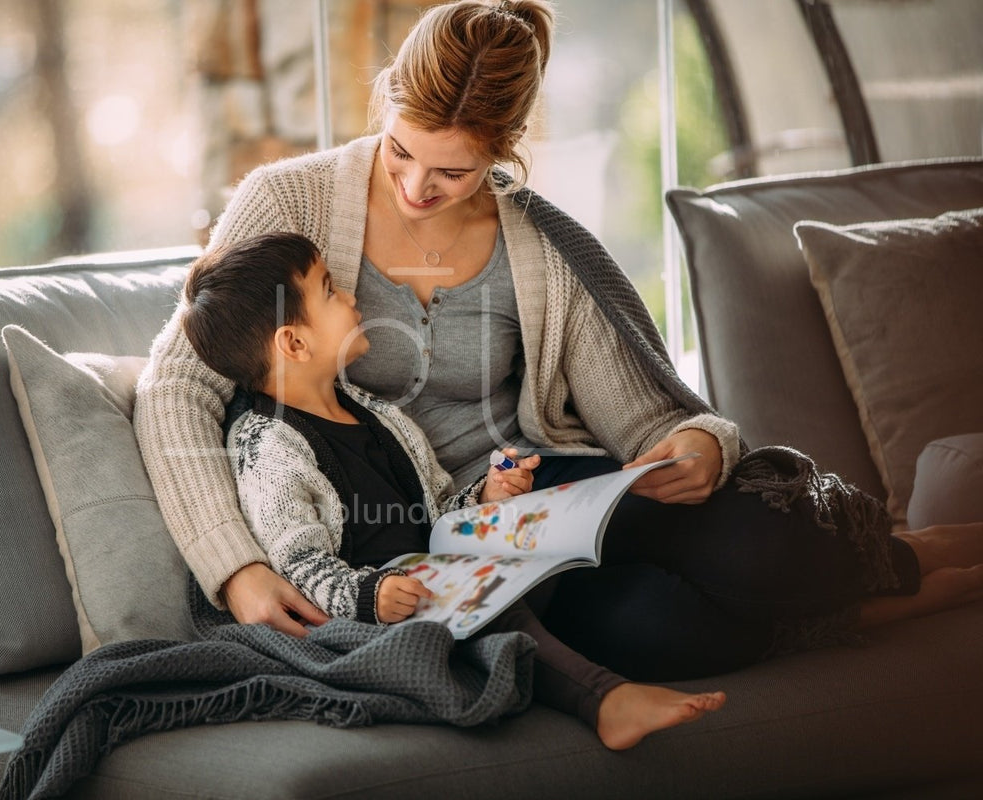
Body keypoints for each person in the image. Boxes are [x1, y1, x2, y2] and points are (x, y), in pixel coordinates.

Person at [135, 0, 983, 685]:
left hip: (553, 499)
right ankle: (875, 600)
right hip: (455, 550)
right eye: (400, 152)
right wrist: (236, 566)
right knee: (659, 632)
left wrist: (688, 446)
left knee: (767, 542)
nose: (415, 186)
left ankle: (911, 555)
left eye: (453, 171)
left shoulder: (541, 246)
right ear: (386, 98)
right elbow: (178, 385)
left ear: (506, 152)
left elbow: (646, 418)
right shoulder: (289, 203)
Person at [179, 229, 726, 750]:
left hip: (444, 572)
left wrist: (486, 499)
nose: (348, 295)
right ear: (294, 342)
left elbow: (439, 507)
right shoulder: (266, 443)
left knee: (553, 543)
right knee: (496, 613)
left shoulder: (376, 413)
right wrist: (372, 596)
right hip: (378, 610)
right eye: (328, 290)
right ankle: (604, 700)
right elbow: (298, 564)